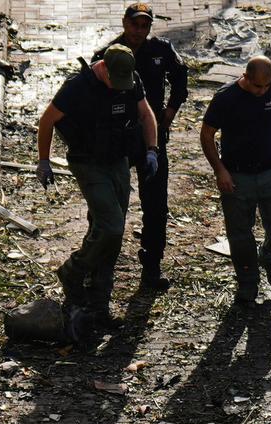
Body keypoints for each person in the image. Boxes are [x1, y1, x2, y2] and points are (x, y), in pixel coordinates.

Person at [37, 44, 161, 331]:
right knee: (111, 226)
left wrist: (152, 149)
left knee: (110, 237)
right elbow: (47, 121)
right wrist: (44, 161)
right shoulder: (77, 87)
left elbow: (145, 113)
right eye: (114, 80)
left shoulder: (131, 78)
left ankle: (99, 306)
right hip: (88, 163)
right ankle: (73, 270)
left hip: (118, 160)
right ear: (103, 67)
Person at [199, 56, 271, 306]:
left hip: (270, 170)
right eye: (257, 86)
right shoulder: (226, 98)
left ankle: (269, 257)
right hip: (237, 176)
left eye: (266, 86)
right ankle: (248, 283)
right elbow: (206, 135)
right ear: (245, 78)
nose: (262, 91)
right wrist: (220, 170)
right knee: (239, 234)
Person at [100, 2, 187, 291]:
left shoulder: (161, 50)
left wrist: (170, 113)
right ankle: (99, 266)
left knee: (155, 203)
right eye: (134, 24)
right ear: (124, 23)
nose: (138, 30)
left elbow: (181, 80)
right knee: (109, 202)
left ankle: (152, 264)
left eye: (144, 25)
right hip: (119, 139)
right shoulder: (108, 54)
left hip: (153, 136)